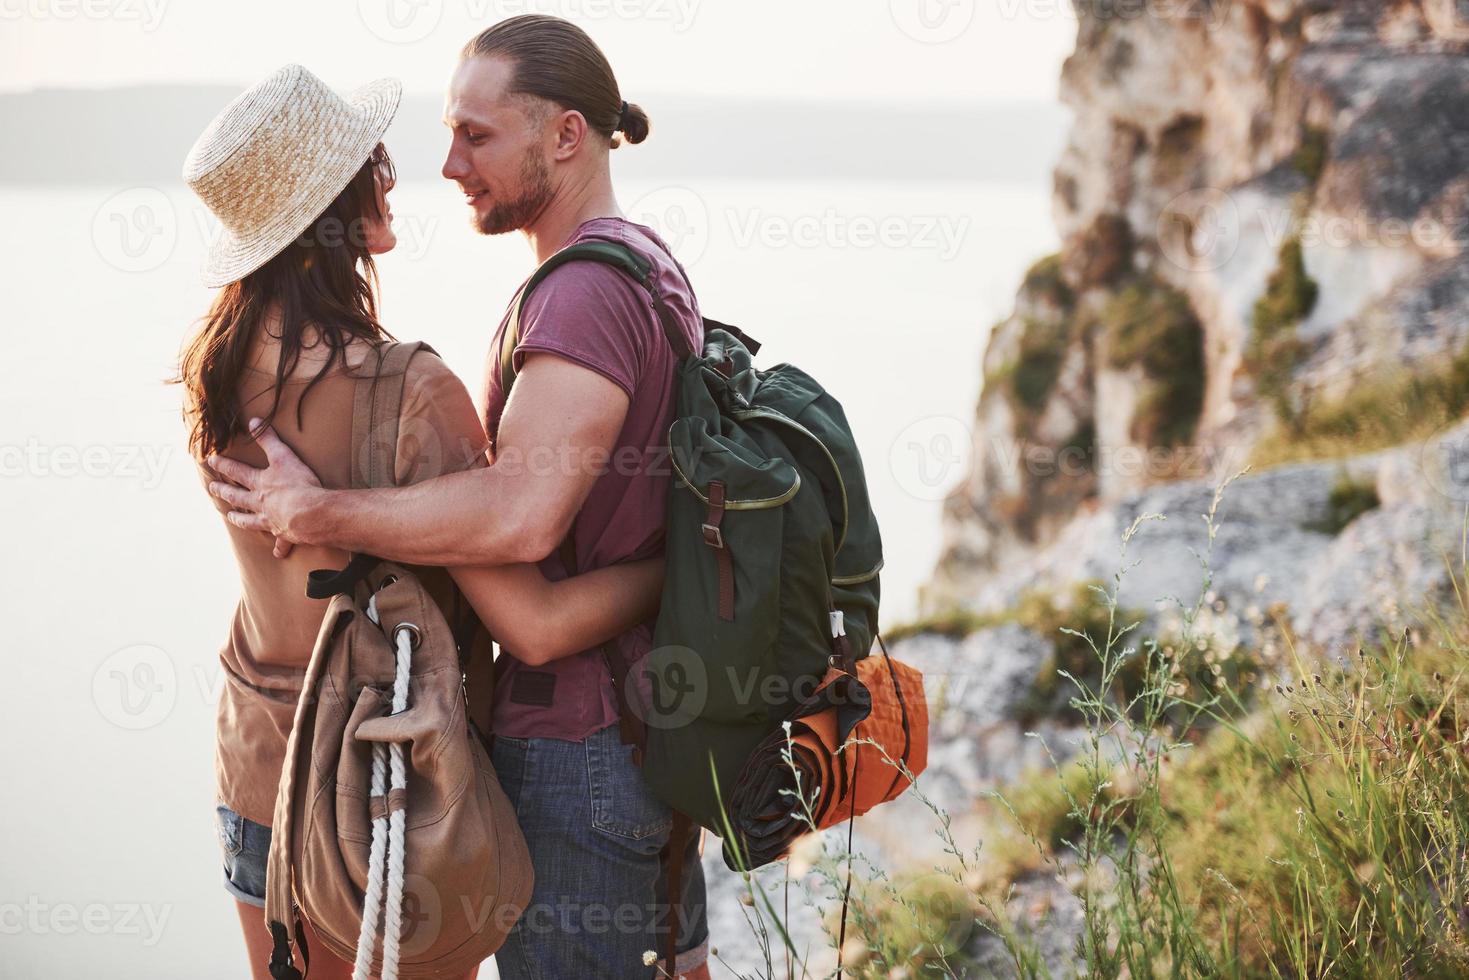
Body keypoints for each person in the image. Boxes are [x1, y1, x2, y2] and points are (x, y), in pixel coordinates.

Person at [205, 16, 714, 979]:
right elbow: (526, 612)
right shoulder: (633, 277)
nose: (438, 166)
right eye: (395, 153)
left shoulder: (215, 376)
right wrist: (677, 567)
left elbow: (519, 529)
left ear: (566, 135)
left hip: (261, 769)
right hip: (378, 793)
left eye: (473, 135)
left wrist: (320, 512)